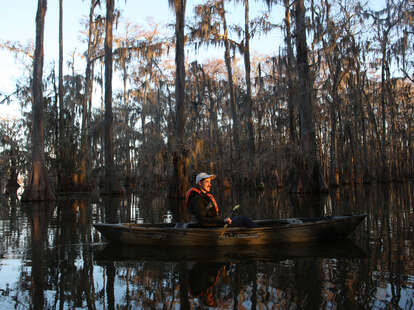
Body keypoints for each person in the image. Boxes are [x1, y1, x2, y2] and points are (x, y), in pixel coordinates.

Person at [185, 172, 257, 227]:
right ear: (200, 183)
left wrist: (223, 220)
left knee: (245, 220)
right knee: (244, 220)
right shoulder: (197, 199)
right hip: (212, 227)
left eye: (210, 182)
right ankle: (260, 234)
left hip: (215, 224)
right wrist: (223, 221)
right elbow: (202, 221)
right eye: (207, 182)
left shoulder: (205, 196)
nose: (210, 184)